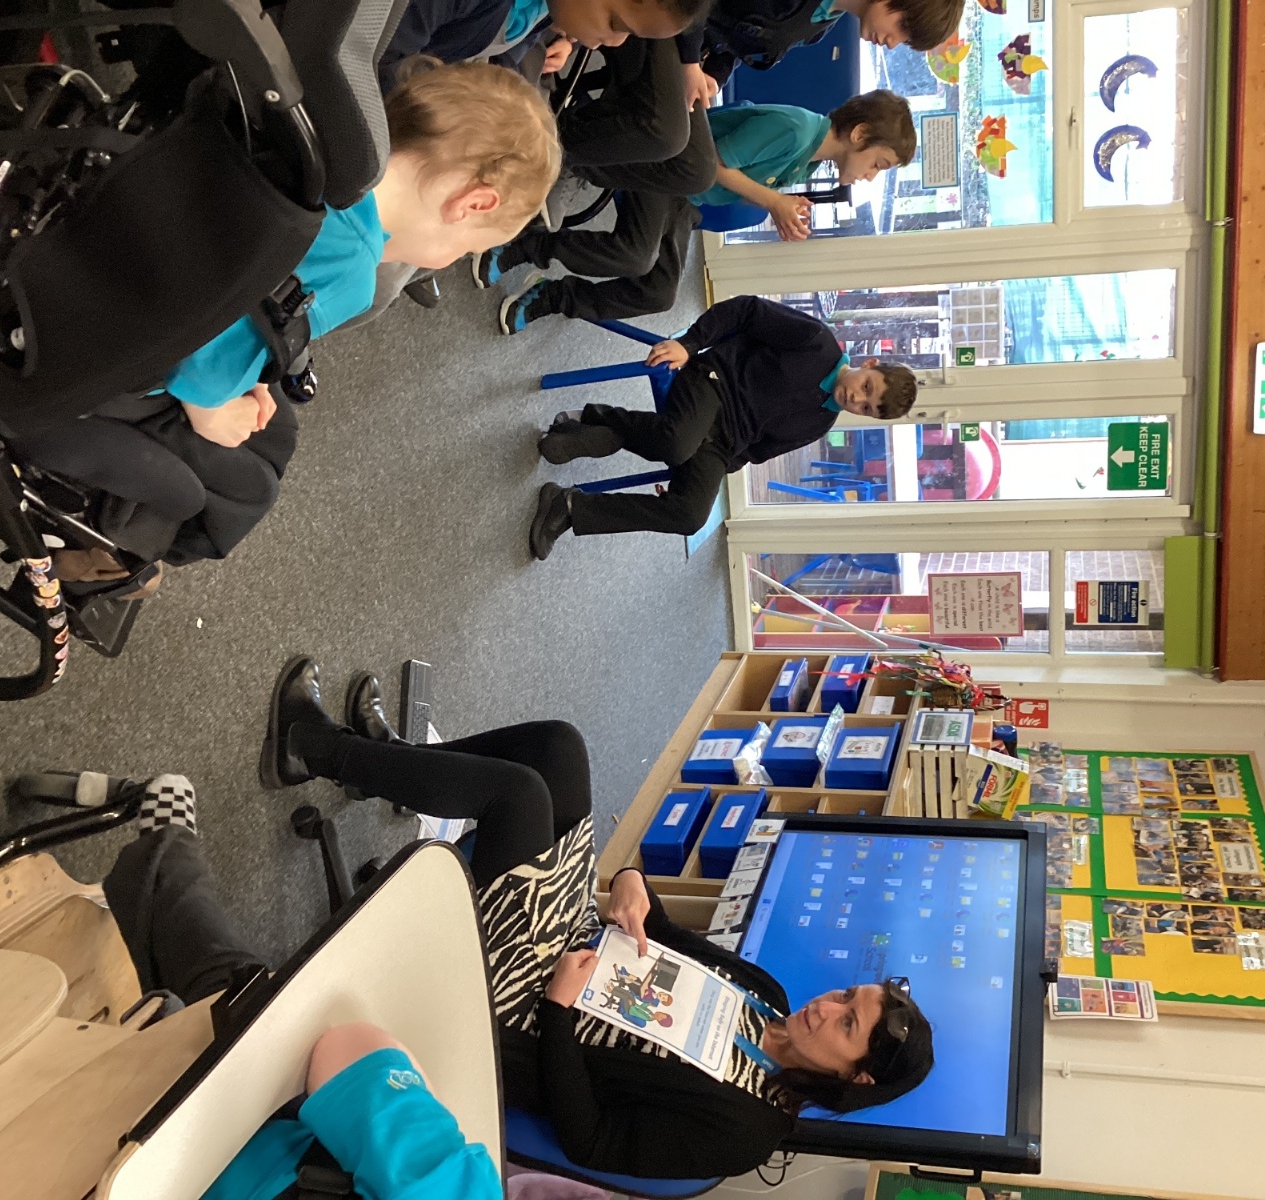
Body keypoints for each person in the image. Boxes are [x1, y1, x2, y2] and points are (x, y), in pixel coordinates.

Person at [261, 657, 937, 1179]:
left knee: (520, 796)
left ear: (856, 1078)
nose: (826, 1007)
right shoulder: (770, 997)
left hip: (519, 1012)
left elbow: (590, 1140)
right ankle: (385, 766)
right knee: (560, 748)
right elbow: (663, 934)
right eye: (846, 995)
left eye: (847, 1024)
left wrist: (559, 1009)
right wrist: (635, 885)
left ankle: (315, 746)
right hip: (571, 938)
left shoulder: (745, 1131)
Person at [53, 58, 561, 580]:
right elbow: (202, 371)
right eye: (467, 248)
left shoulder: (320, 141)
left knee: (276, 430)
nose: (452, 260)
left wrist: (249, 373)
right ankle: (106, 550)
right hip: (128, 361)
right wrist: (212, 410)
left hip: (144, 250)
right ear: (472, 204)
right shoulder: (351, 270)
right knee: (246, 491)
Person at [97, 776, 502, 1200]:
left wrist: (417, 1087)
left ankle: (164, 854)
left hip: (202, 1147)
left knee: (253, 1002)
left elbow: (346, 1048)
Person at [523, 294, 918, 558]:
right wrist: (690, 343)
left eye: (866, 408)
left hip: (721, 444)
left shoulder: (821, 422)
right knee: (676, 443)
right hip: (713, 382)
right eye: (867, 387)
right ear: (869, 365)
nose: (857, 398)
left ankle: (569, 506)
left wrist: (694, 477)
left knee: (690, 515)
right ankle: (594, 420)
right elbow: (747, 311)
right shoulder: (817, 342)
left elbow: (753, 452)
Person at [486, 90, 915, 331]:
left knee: (659, 293)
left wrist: (778, 206)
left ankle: (552, 296)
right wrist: (772, 201)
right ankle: (527, 246)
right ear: (859, 134)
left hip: (687, 201)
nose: (871, 176)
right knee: (634, 255)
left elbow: (736, 181)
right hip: (669, 172)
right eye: (878, 164)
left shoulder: (809, 161)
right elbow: (714, 164)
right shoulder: (796, 130)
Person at [677, 0, 964, 97]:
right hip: (674, 17)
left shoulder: (819, 27)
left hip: (689, 47)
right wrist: (690, 63)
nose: (892, 43)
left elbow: (737, 38)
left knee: (694, 161)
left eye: (905, 41)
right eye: (902, 27)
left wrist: (715, 75)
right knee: (677, 144)